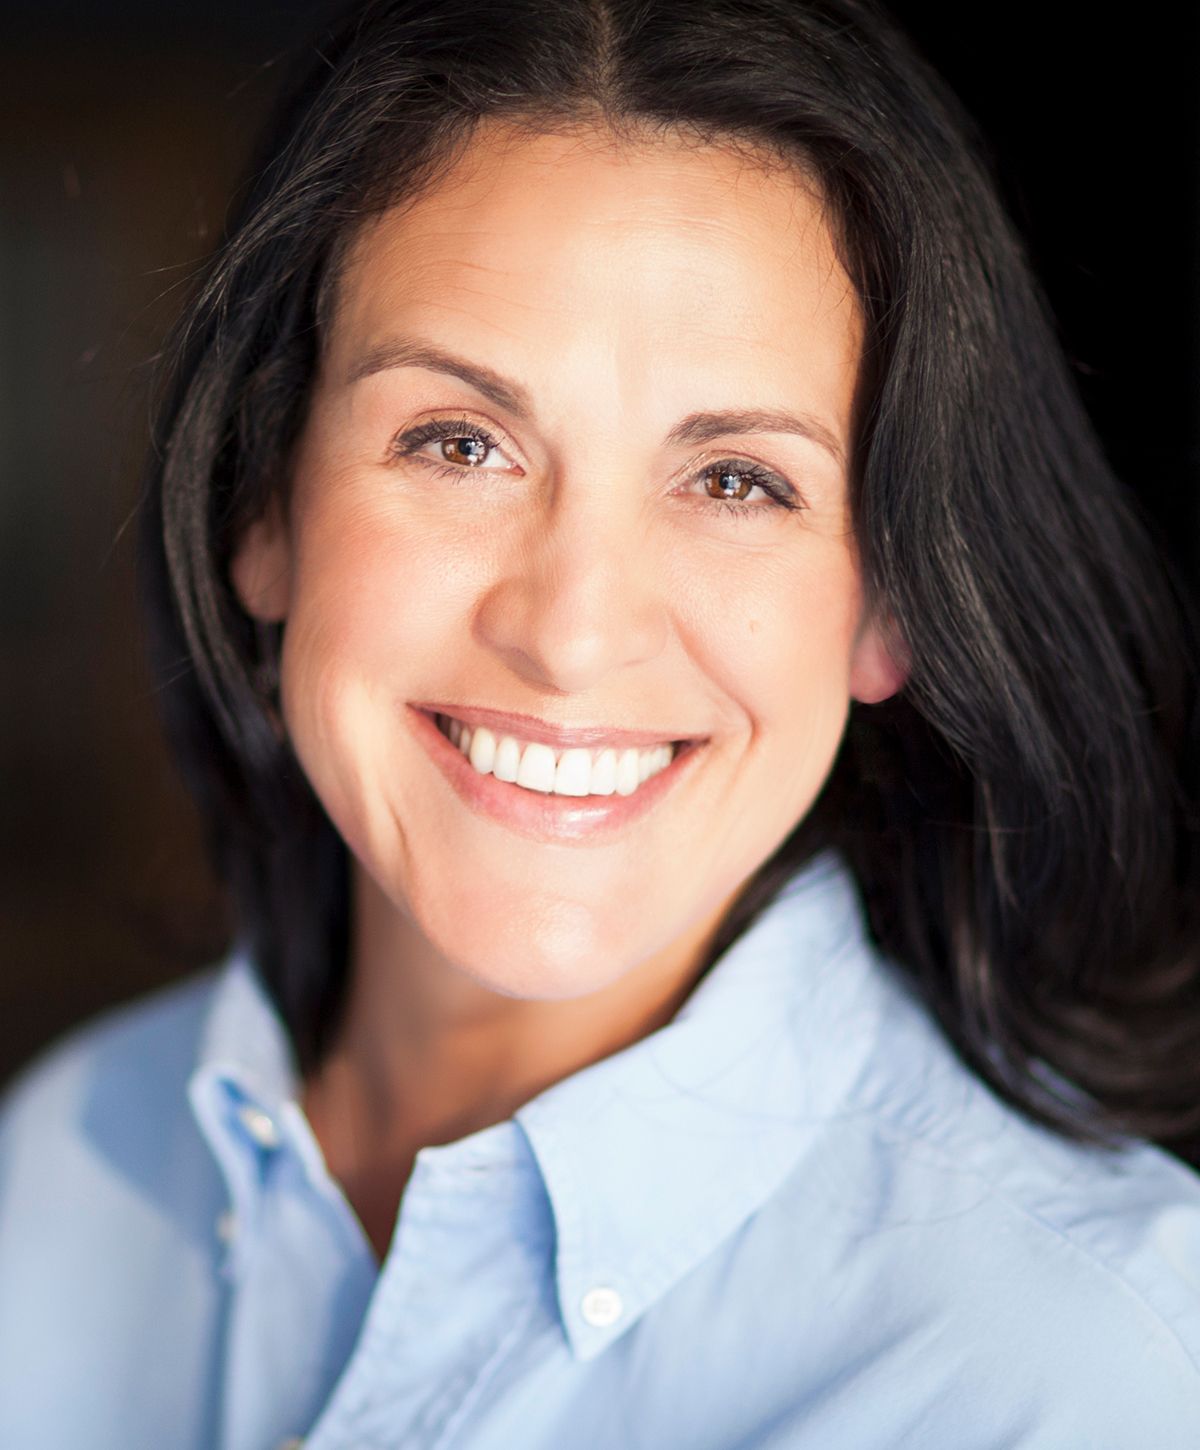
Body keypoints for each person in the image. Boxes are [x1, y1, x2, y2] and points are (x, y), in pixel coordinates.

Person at [3, 0, 1200, 1445]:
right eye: (460, 443)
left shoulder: (1085, 1372)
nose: (572, 634)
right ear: (265, 504)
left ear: (890, 599)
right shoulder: (65, 1164)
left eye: (736, 480)